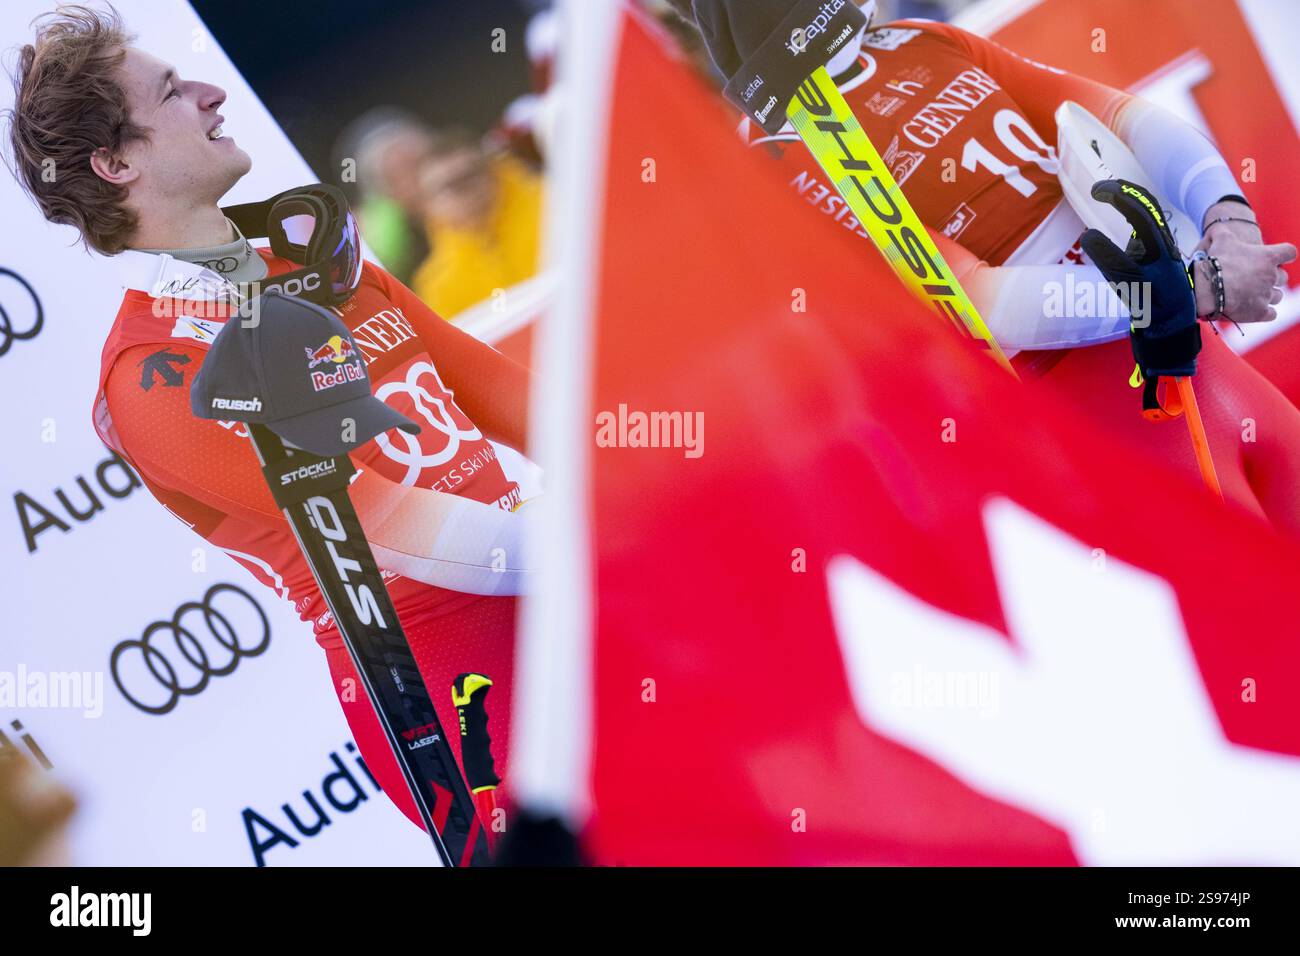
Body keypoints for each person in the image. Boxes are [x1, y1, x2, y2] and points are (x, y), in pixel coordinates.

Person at [5, 4, 533, 833]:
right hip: (453, 689)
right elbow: (383, 525)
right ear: (114, 163)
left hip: (550, 604)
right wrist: (592, 551)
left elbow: (518, 401)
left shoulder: (315, 252)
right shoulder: (152, 372)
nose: (215, 94)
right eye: (175, 92)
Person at [668, 0, 1300, 538]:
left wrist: (1228, 222)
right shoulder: (781, 164)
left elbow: (1124, 117)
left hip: (1207, 368)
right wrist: (1192, 289)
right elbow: (982, 305)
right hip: (1112, 421)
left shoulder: (914, 38)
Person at [410, 130, 543, 319]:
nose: (464, 191)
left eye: (470, 175)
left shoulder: (552, 206)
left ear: (492, 173)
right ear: (427, 205)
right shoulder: (436, 284)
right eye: (447, 187)